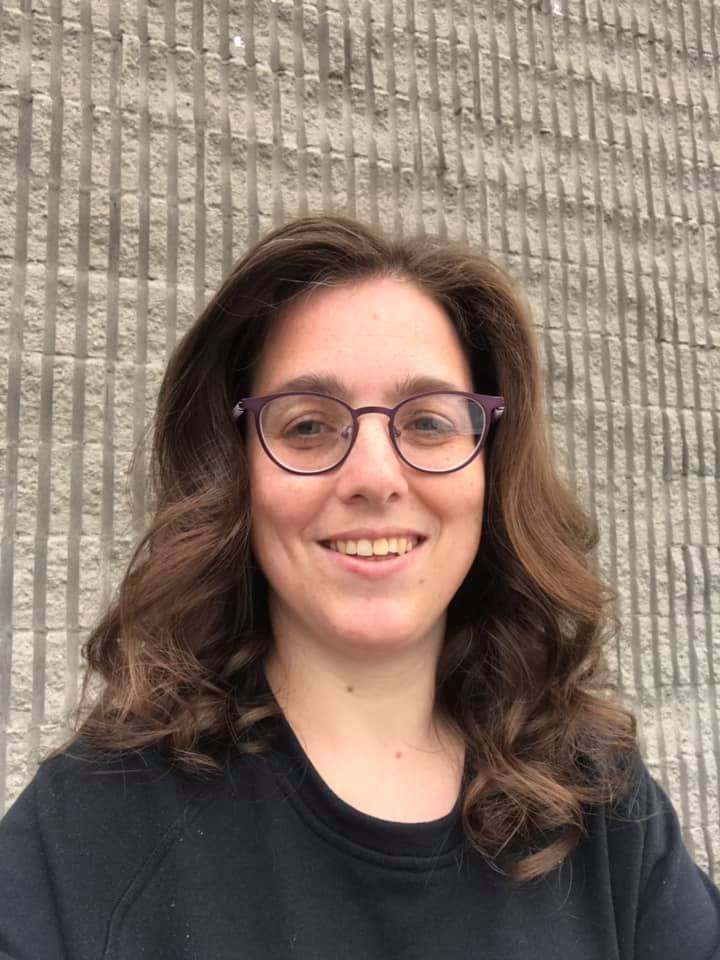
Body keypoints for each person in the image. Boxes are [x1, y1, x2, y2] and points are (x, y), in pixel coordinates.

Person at [0, 215, 718, 960]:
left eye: (429, 423)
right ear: (236, 472)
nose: (375, 477)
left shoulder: (598, 801)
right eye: (308, 427)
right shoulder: (90, 831)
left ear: (491, 469)